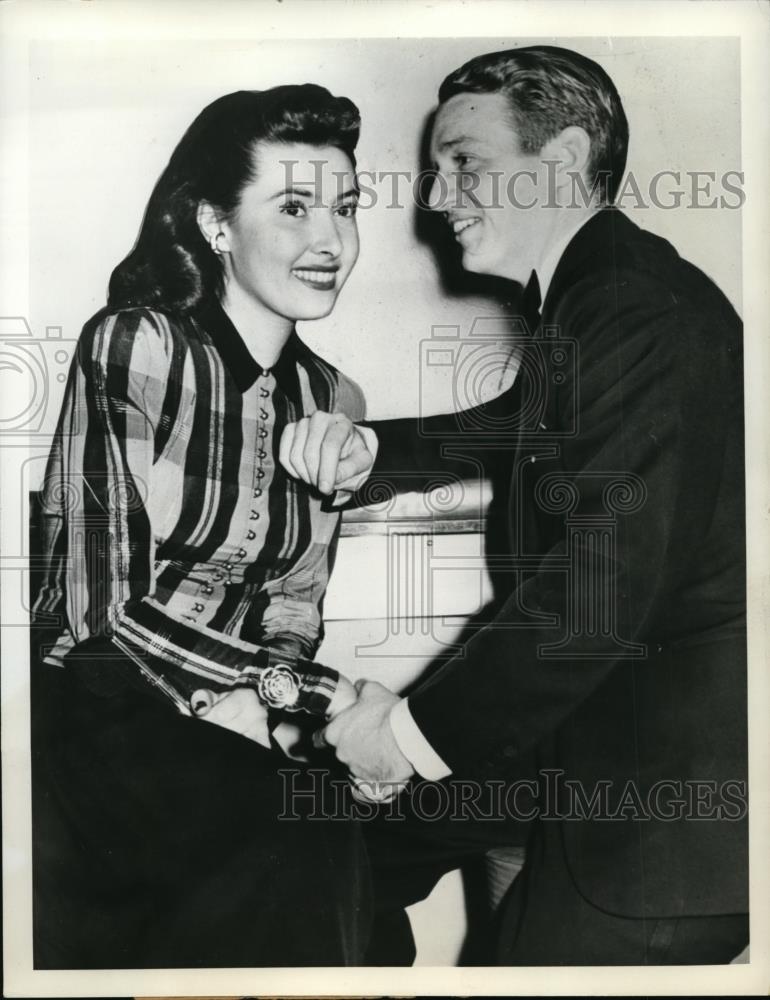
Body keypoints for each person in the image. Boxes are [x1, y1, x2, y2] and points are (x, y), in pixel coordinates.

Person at [280, 46, 749, 965]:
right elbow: (516, 423)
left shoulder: (643, 315)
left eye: (466, 163)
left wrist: (404, 738)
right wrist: (372, 447)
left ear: (565, 160)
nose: (438, 195)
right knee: (332, 852)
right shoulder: (601, 299)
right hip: (587, 736)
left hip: (663, 819)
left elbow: (590, 605)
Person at [31, 84, 372, 969]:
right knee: (283, 850)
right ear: (216, 224)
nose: (331, 240)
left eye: (345, 207)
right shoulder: (134, 346)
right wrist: (285, 694)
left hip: (247, 721)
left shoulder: (335, 399)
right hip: (104, 713)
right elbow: (96, 610)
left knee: (360, 866)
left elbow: (296, 604)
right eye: (294, 207)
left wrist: (277, 705)